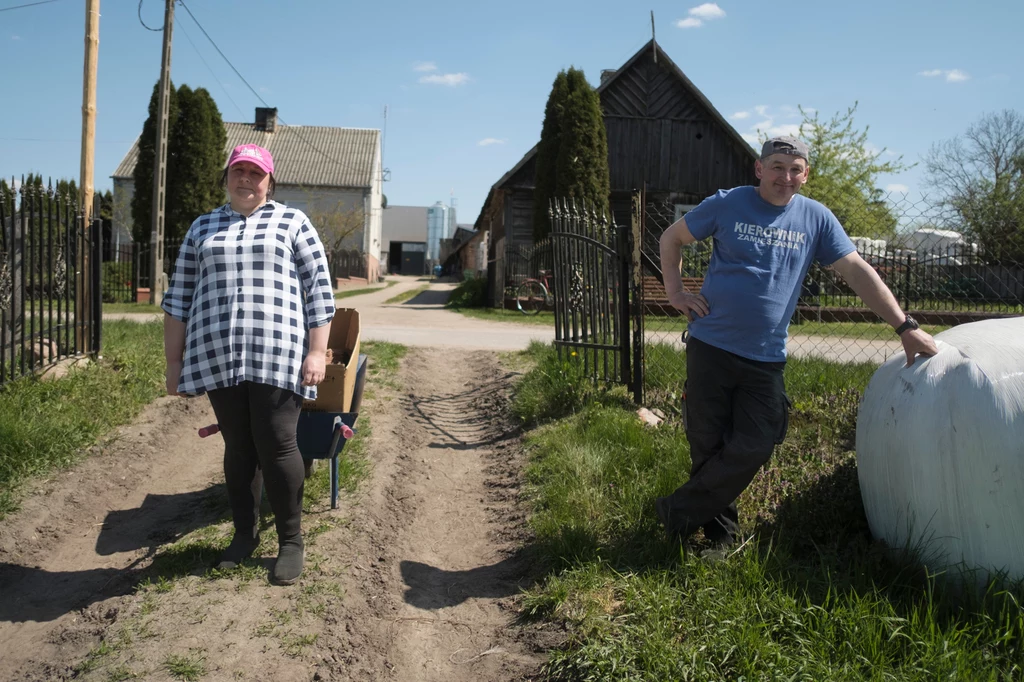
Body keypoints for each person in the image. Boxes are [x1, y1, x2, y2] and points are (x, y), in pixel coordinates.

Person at [656, 135, 939, 553]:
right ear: (759, 168)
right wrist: (676, 293)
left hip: (765, 356)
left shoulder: (816, 219)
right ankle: (720, 537)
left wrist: (904, 326)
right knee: (708, 441)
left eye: (795, 169)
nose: (784, 177)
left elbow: (857, 271)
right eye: (776, 166)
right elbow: (671, 239)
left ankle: (676, 512)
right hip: (710, 344)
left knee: (760, 438)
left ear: (806, 174)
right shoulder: (727, 203)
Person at [162, 143, 336, 585]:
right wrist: (173, 362)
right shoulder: (203, 227)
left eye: (255, 174)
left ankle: (291, 541)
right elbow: (179, 299)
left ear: (269, 182)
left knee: (277, 445)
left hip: (279, 354)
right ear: (226, 178)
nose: (246, 180)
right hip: (216, 354)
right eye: (238, 172)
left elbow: (320, 292)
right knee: (240, 448)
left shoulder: (292, 222)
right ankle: (244, 534)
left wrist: (317, 351)